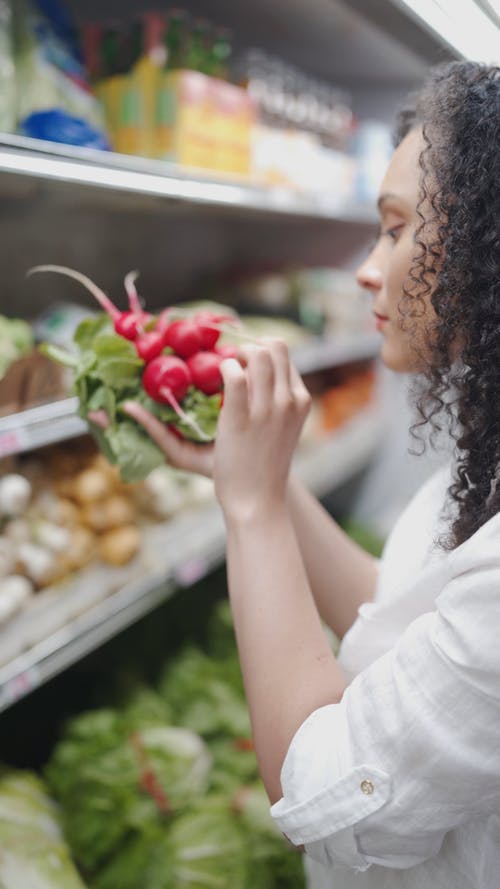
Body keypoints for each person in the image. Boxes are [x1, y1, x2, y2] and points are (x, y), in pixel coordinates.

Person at [124, 61, 500, 887]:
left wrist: (253, 508)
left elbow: (322, 792)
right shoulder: (481, 468)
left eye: (398, 230)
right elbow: (405, 624)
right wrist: (273, 482)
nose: (369, 268)